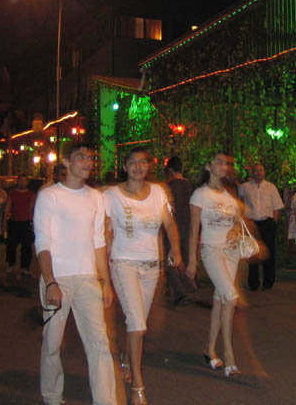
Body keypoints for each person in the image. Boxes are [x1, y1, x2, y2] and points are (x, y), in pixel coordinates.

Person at [33, 143, 116, 405]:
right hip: (58, 278)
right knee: (52, 343)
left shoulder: (96, 197)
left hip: (88, 279)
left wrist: (105, 282)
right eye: (81, 157)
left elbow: (98, 241)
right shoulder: (49, 196)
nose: (88, 162)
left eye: (90, 158)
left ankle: (106, 400)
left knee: (99, 343)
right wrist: (50, 282)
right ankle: (52, 396)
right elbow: (42, 242)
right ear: (67, 162)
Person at [104, 147, 182, 405]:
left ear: (149, 166)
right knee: (138, 324)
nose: (138, 167)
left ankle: (127, 357)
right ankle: (137, 385)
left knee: (137, 322)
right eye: (132, 162)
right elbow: (99, 225)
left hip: (151, 267)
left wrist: (176, 250)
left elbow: (169, 223)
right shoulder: (111, 195)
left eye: (142, 162)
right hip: (123, 264)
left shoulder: (158, 192)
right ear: (124, 166)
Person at [186, 152, 243, 377]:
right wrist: (192, 261)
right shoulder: (200, 194)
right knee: (231, 298)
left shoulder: (230, 194)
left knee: (220, 300)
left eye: (226, 163)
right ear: (208, 166)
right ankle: (229, 355)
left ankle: (209, 349)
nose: (224, 165)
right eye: (219, 162)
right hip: (211, 250)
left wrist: (236, 229)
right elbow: (193, 231)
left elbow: (237, 219)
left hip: (231, 252)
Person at [238, 163, 284, 291]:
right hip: (251, 223)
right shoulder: (244, 187)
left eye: (261, 170)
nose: (258, 172)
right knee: (252, 252)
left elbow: (277, 207)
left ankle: (268, 282)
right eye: (256, 170)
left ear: (264, 172)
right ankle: (253, 283)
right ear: (252, 173)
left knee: (268, 253)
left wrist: (273, 224)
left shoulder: (271, 187)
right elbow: (239, 202)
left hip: (267, 223)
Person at [164, 156, 195, 304]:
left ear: (170, 169)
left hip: (172, 226)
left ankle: (179, 291)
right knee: (187, 255)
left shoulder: (167, 186)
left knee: (171, 256)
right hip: (188, 225)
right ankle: (189, 283)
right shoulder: (190, 186)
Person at [5, 174, 36, 276]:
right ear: (17, 181)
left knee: (26, 246)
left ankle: (25, 267)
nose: (22, 182)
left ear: (27, 182)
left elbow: (32, 208)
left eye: (24, 180)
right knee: (11, 245)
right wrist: (5, 220)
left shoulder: (31, 194)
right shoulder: (12, 193)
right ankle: (11, 264)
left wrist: (33, 222)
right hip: (14, 221)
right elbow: (8, 206)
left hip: (26, 222)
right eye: (20, 180)